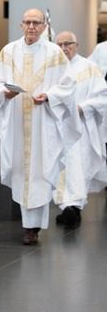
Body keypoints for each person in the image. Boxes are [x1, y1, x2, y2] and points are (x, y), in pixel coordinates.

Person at [0, 9, 78, 245]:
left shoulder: (55, 53)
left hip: (42, 122)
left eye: (36, 23)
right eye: (27, 22)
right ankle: (28, 224)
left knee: (40, 170)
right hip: (17, 121)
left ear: (44, 26)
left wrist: (49, 96)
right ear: (21, 25)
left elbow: (68, 84)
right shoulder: (9, 51)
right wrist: (4, 93)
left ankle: (33, 227)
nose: (31, 27)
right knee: (20, 169)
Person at [52, 31, 107, 227]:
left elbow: (102, 96)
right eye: (59, 44)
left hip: (81, 127)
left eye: (68, 44)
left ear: (77, 45)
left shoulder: (89, 68)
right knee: (60, 167)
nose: (64, 48)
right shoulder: (51, 68)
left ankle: (73, 207)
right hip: (57, 127)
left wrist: (83, 108)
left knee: (77, 167)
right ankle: (68, 207)